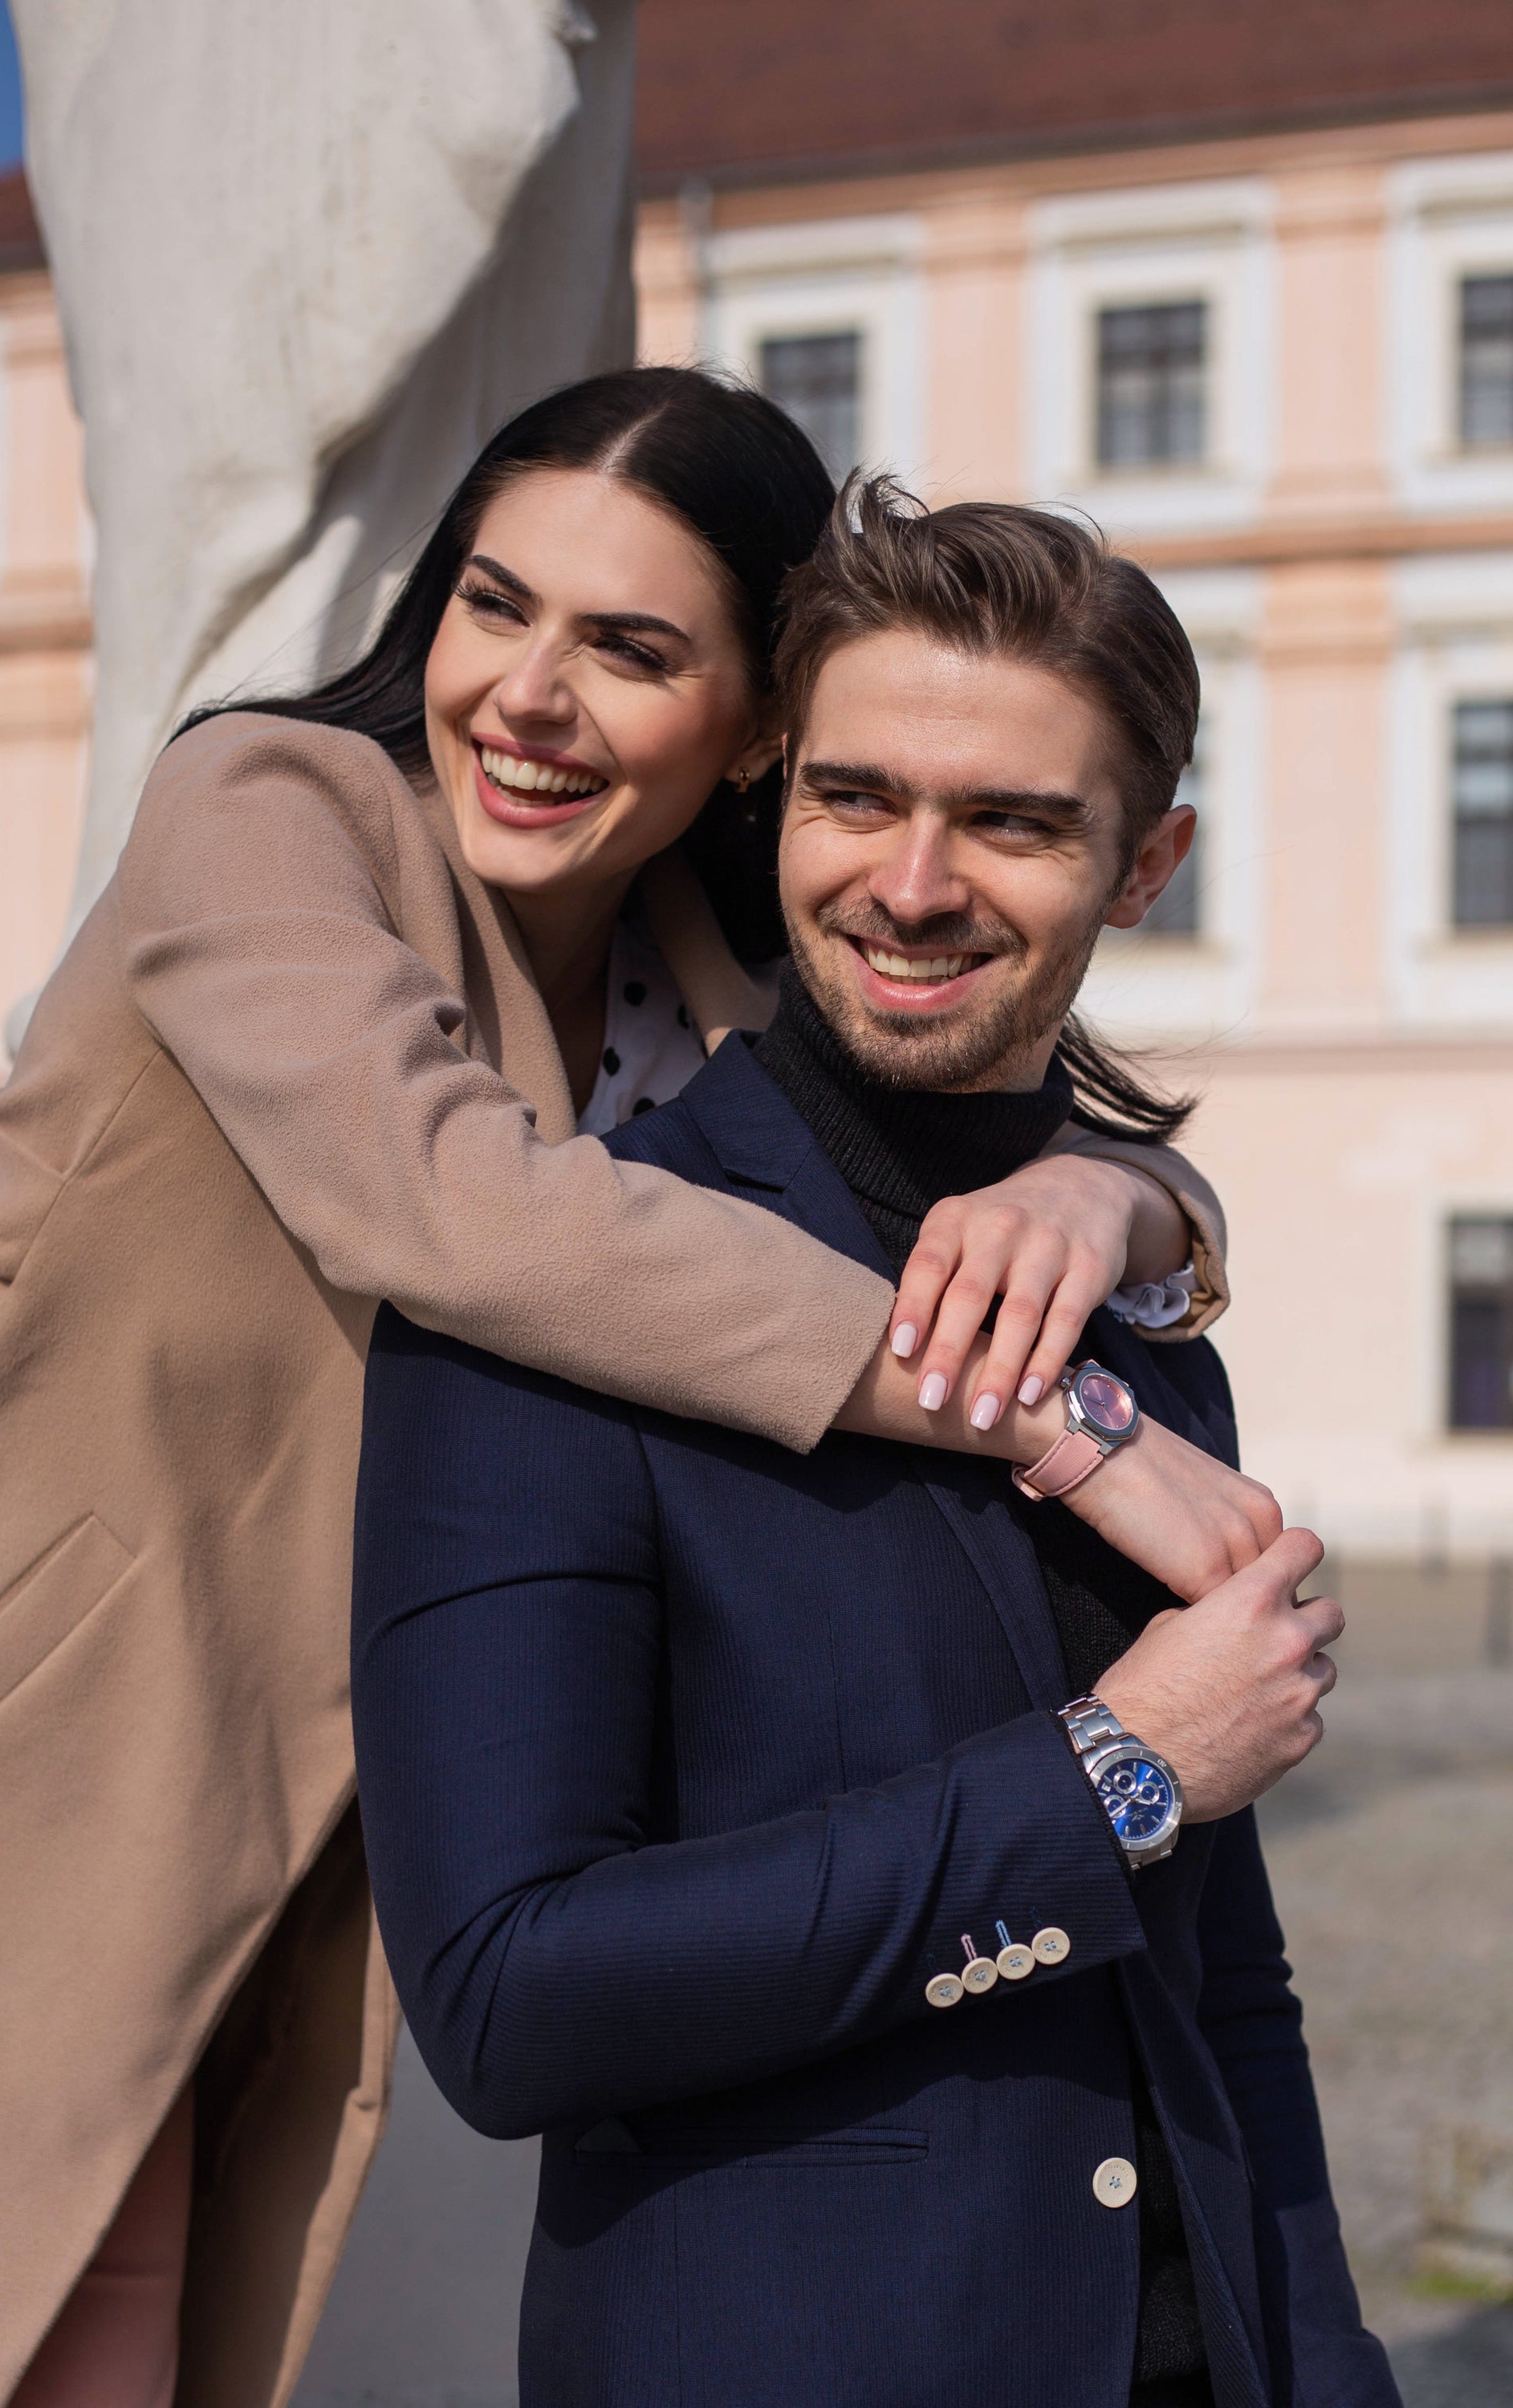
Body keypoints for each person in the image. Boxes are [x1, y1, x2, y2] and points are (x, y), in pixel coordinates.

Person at [0, 370, 1261, 2408]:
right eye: (491, 602)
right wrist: (1058, 1426)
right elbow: (455, 1206)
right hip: (23, 1731)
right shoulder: (272, 809)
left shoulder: (705, 962)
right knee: (48, 2317)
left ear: (755, 729)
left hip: (338, 1787)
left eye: (631, 649)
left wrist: (1125, 1190)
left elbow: (952, 1147)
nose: (526, 694)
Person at [352, 484, 1397, 2408]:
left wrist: (1323, 2366)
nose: (911, 886)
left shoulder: (1130, 1299)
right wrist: (1117, 1774)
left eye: (1008, 822)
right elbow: (506, 2000)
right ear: (772, 803)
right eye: (856, 798)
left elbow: (1223, 1986)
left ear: (1146, 861)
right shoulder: (550, 1291)